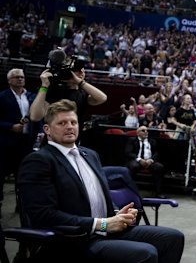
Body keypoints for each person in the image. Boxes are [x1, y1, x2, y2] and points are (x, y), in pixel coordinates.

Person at [17, 100, 184, 262]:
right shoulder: (39, 161)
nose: (69, 126)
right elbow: (43, 215)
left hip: (104, 230)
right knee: (146, 253)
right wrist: (102, 224)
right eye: (62, 123)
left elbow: (95, 200)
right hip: (73, 239)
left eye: (73, 122)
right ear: (47, 129)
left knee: (172, 238)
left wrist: (117, 216)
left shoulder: (90, 155)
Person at [29, 59, 107, 132]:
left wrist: (80, 82)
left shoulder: (82, 94)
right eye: (75, 70)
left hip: (74, 141)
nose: (81, 73)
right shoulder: (53, 92)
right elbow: (35, 117)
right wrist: (44, 86)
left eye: (82, 70)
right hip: (54, 138)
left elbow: (102, 98)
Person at [0, 68, 37, 217]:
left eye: (22, 77)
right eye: (16, 77)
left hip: (26, 143)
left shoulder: (32, 96)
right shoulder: (2, 97)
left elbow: (37, 117)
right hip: (5, 144)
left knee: (23, 177)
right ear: (9, 80)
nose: (20, 79)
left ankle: (21, 205)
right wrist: (10, 127)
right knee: (1, 175)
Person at [125, 125, 166, 198]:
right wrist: (140, 159)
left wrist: (150, 160)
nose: (146, 132)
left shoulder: (152, 141)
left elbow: (156, 153)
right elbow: (129, 153)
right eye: (143, 131)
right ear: (138, 133)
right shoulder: (132, 140)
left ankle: (158, 192)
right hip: (137, 160)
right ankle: (129, 190)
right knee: (133, 166)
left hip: (149, 161)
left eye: (147, 131)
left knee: (159, 167)